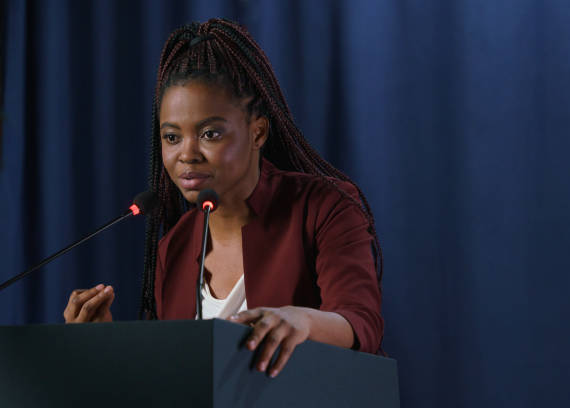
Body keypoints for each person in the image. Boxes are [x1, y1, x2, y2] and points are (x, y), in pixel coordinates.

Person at [63, 18, 383, 377]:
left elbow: (362, 324)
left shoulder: (325, 206)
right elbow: (174, 376)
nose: (187, 154)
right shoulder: (175, 246)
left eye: (210, 133)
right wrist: (106, 344)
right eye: (172, 137)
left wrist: (303, 320)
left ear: (257, 131)